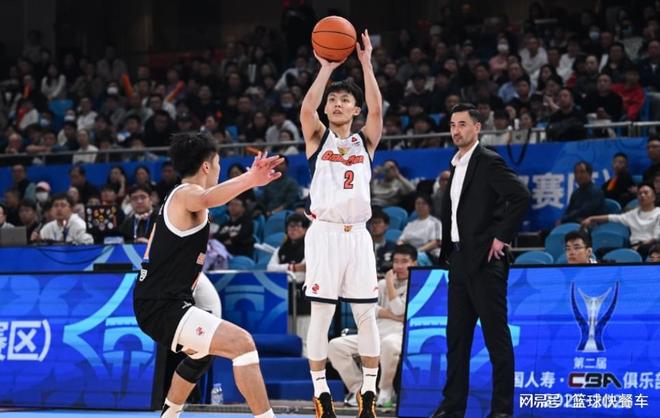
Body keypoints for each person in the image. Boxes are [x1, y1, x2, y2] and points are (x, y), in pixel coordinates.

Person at [133, 132, 283, 418]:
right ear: (206, 166)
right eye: (218, 164)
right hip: (161, 305)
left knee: (201, 354)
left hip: (164, 300)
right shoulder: (186, 193)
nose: (218, 170)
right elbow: (207, 198)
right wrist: (250, 179)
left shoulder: (178, 198)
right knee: (242, 344)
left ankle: (169, 415)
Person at [299, 29, 383, 418]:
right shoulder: (318, 139)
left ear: (355, 110)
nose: (336, 103)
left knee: (367, 315)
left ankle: (369, 392)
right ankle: (321, 393)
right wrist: (326, 69)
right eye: (332, 100)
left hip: (358, 236)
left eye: (344, 100)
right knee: (321, 316)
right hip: (325, 233)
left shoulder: (365, 141)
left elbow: (378, 112)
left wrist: (366, 64)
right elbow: (306, 110)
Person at [431, 103, 529, 418]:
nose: (456, 130)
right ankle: (452, 408)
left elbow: (521, 196)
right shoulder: (455, 165)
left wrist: (501, 237)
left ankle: (501, 411)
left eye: (462, 124)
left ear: (477, 127)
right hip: (459, 261)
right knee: (457, 340)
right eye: (452, 125)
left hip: (486, 262)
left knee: (495, 338)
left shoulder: (488, 161)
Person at [328, 244, 417, 408]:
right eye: (396, 261)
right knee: (335, 346)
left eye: (405, 261)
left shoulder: (417, 285)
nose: (399, 266)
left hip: (399, 335)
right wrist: (392, 315)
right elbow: (368, 309)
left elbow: (399, 309)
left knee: (389, 344)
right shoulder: (380, 284)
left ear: (414, 263)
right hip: (375, 333)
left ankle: (386, 390)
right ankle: (360, 389)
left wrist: (389, 284)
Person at [582, 183, 660, 258]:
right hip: (633, 247)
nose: (642, 195)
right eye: (640, 193)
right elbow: (612, 217)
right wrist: (592, 218)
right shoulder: (633, 214)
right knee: (601, 251)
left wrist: (641, 246)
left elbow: (656, 237)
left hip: (651, 247)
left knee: (643, 249)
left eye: (646, 193)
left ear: (654, 197)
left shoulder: (658, 213)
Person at [267, 212, 309, 284]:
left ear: (305, 229)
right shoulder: (281, 249)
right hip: (281, 286)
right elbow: (270, 268)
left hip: (300, 287)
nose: (293, 229)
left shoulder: (309, 249)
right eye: (291, 226)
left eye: (298, 226)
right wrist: (293, 268)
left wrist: (280, 271)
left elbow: (300, 276)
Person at [397, 194, 442, 260]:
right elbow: (401, 240)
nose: (420, 206)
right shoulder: (411, 224)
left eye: (423, 204)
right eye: (418, 203)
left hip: (428, 254)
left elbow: (435, 243)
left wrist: (416, 252)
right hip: (410, 253)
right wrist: (400, 249)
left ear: (430, 207)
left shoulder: (436, 223)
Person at [367, 208, 397, 278]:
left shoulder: (393, 247)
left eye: (378, 222)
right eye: (372, 223)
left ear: (386, 226)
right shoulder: (364, 246)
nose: (375, 225)